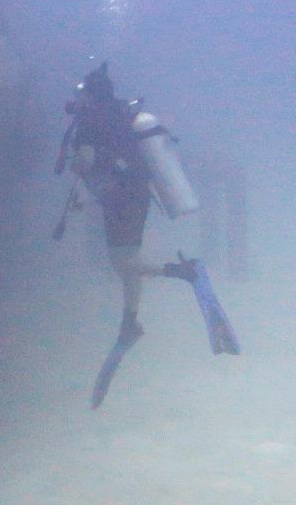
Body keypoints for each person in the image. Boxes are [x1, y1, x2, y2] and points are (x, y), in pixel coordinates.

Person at [58, 64, 195, 346]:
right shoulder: (122, 112)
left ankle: (182, 272)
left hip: (119, 199)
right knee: (129, 261)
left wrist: (75, 168)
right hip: (139, 192)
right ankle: (130, 320)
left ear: (90, 96)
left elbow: (85, 162)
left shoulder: (89, 121)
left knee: (124, 263)